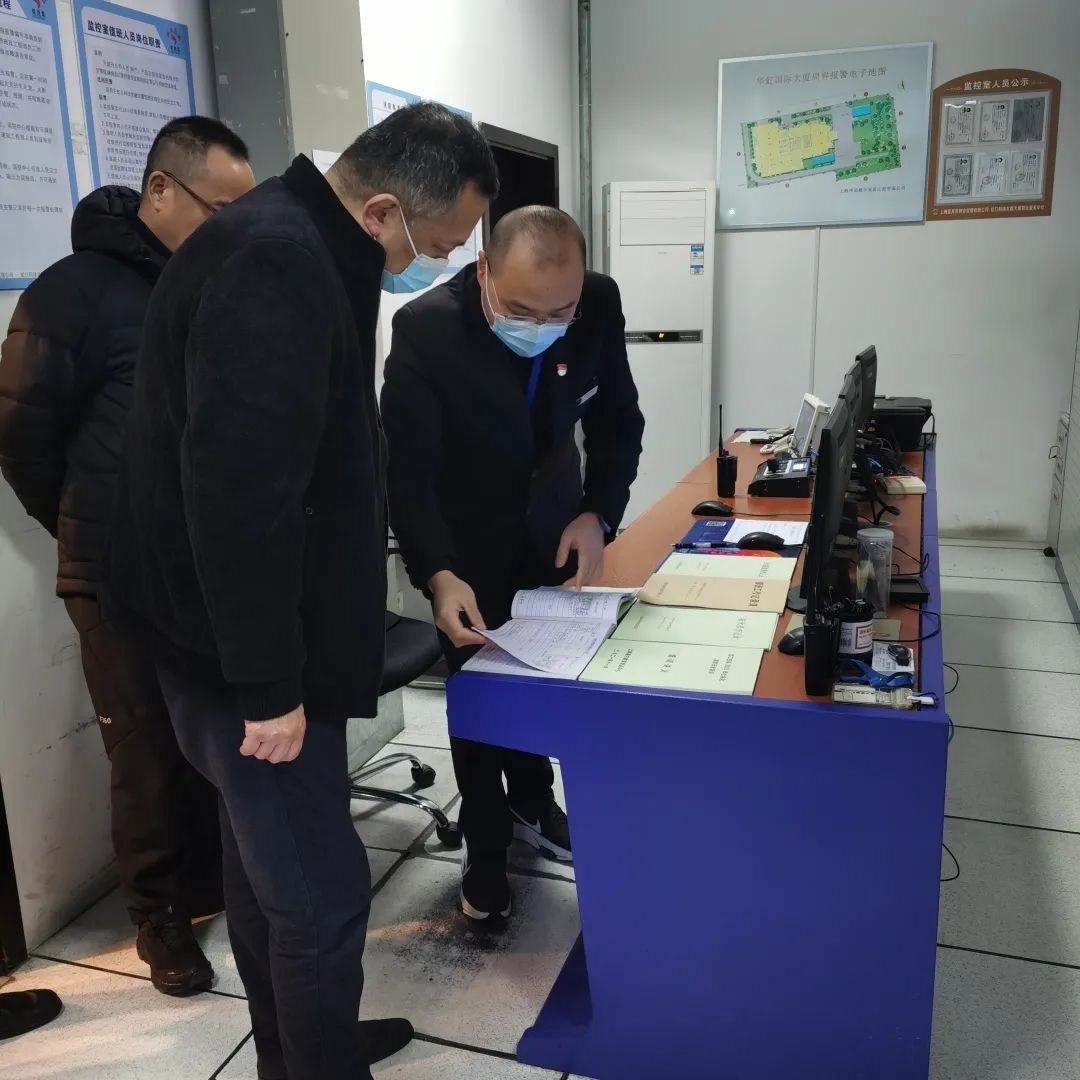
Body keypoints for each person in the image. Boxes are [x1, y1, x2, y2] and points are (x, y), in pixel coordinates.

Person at [105, 102, 498, 1080]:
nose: (436, 267)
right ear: (382, 211)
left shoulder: (292, 241)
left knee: (267, 881)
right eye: (435, 247)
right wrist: (269, 684)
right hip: (248, 670)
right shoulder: (279, 260)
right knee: (321, 902)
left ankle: (296, 1050)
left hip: (237, 650)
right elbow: (239, 495)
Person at [0, 117, 255, 995]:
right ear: (159, 190)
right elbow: (22, 438)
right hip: (113, 572)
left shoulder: (212, 284)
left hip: (204, 567)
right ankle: (158, 917)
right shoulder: (71, 292)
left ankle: (214, 882)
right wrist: (90, 526)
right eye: (218, 209)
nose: (230, 229)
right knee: (144, 751)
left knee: (214, 738)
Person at [381, 206, 645, 921]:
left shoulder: (598, 302)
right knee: (479, 690)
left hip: (553, 523)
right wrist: (437, 573)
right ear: (485, 271)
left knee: (541, 677)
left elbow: (617, 419)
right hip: (465, 540)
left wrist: (598, 513)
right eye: (523, 311)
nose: (543, 324)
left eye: (560, 312)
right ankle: (486, 844)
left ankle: (533, 801)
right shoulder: (427, 329)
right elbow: (408, 474)